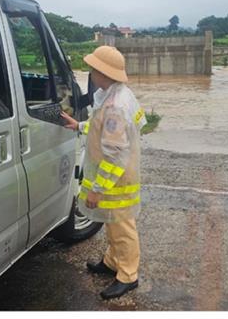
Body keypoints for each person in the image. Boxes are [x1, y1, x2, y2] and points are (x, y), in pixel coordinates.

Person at [78, 45, 145, 301]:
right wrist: (80, 125)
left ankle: (128, 276)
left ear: (102, 73)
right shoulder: (118, 94)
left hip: (116, 178)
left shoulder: (115, 106)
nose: (91, 73)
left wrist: (96, 189)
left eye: (93, 69)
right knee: (112, 223)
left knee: (123, 227)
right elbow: (103, 129)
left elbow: (115, 153)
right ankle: (112, 261)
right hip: (117, 175)